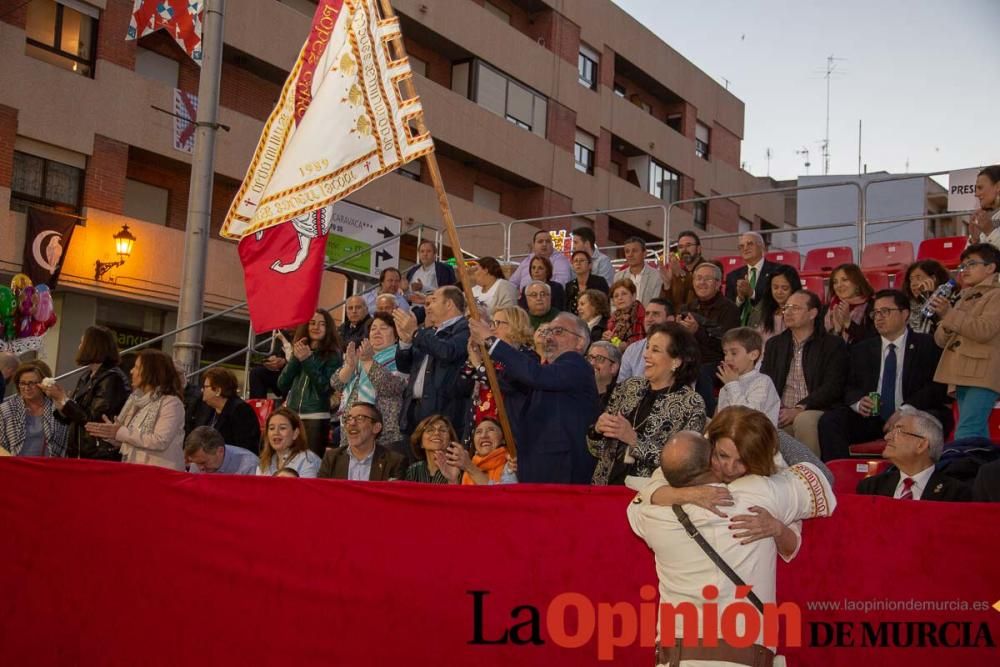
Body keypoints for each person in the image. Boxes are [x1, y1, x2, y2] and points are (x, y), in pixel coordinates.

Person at [627, 430, 835, 666]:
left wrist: (681, 493)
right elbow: (824, 477)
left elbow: (650, 488)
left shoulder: (652, 514)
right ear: (713, 462)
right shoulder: (759, 493)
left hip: (674, 659)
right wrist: (768, 432)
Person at [818, 289, 951, 461]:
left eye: (886, 311)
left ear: (905, 314)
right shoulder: (862, 349)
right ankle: (840, 475)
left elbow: (936, 387)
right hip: (872, 418)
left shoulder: (927, 344)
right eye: (875, 313)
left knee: (922, 424)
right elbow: (849, 386)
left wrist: (906, 410)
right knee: (830, 421)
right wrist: (858, 403)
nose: (879, 317)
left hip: (914, 413)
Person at [470, 312, 598, 484]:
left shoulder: (576, 365)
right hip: (537, 466)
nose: (550, 337)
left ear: (580, 341)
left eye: (558, 331)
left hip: (562, 470)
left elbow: (533, 374)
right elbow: (512, 385)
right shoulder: (548, 372)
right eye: (548, 332)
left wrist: (491, 341)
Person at [588, 322, 706, 485]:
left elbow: (683, 466)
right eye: (648, 347)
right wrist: (596, 431)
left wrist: (634, 441)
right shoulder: (628, 387)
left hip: (648, 496)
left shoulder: (691, 404)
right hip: (605, 488)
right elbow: (598, 450)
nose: (646, 355)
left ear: (676, 361)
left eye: (655, 350)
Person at [760, 290, 848, 455]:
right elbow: (766, 381)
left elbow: (833, 386)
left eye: (795, 308)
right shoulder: (775, 344)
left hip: (818, 408)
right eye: (786, 308)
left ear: (812, 313)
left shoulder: (831, 344)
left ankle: (812, 476)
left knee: (804, 420)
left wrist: (801, 407)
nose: (788, 312)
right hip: (783, 410)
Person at [927, 242, 1000, 440]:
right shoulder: (963, 297)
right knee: (975, 432)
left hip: (982, 373)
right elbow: (940, 340)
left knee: (968, 431)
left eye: (971, 264)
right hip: (961, 373)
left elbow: (984, 330)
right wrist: (947, 318)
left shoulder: (996, 295)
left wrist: (949, 314)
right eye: (963, 265)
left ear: (990, 267)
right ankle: (979, 469)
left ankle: (966, 470)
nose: (964, 270)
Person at [84, 349, 185, 470]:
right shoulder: (135, 400)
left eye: (137, 367)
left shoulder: (171, 403)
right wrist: (113, 436)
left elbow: (160, 441)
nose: (131, 371)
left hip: (159, 475)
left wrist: (120, 432)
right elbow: (133, 439)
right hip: (136, 471)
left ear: (150, 372)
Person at [44, 325, 129, 461]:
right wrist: (59, 403)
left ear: (92, 346)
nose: (79, 347)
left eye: (82, 343)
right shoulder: (86, 376)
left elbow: (93, 419)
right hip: (79, 451)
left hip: (98, 454)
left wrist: (64, 399)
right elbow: (74, 417)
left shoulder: (112, 379)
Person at [395, 286, 471, 437]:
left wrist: (415, 332)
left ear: (449, 304)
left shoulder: (466, 328)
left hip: (442, 414)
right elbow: (404, 366)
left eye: (434, 300)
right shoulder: (429, 333)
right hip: (413, 412)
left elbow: (447, 351)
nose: (428, 307)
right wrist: (405, 342)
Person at [331, 312, 407, 456]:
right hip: (351, 431)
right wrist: (350, 366)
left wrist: (368, 362)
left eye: (383, 328)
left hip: (384, 434)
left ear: (396, 335)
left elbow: (389, 387)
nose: (377, 332)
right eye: (373, 329)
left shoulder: (401, 357)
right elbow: (336, 383)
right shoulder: (359, 358)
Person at [857, 407, 970, 500]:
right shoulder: (871, 488)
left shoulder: (954, 494)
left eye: (898, 431)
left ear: (921, 445)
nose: (887, 437)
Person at [458, 306, 534, 444]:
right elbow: (460, 388)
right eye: (492, 323)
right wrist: (472, 359)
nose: (492, 329)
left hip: (509, 433)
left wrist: (479, 366)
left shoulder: (526, 356)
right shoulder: (488, 357)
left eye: (497, 323)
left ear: (515, 325)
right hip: (479, 429)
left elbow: (507, 385)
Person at [277, 309, 343, 457]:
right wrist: (296, 358)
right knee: (289, 461)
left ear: (328, 328)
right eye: (312, 323)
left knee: (310, 463)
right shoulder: (299, 350)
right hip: (292, 415)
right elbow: (282, 384)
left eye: (322, 324)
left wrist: (307, 360)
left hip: (316, 417)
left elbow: (325, 388)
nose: (316, 327)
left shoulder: (333, 354)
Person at [679, 262, 741, 417]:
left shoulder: (730, 309)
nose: (702, 283)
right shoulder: (688, 308)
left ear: (718, 283)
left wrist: (697, 331)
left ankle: (706, 419)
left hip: (718, 362)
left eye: (707, 279)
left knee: (699, 371)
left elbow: (725, 346)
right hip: (690, 358)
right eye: (698, 278)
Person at [318, 402, 406, 481]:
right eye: (348, 418)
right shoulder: (331, 458)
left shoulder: (394, 462)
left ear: (376, 428)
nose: (352, 423)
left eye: (360, 418)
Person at [0, 360, 68, 457]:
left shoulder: (57, 407)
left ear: (44, 384)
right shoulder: (6, 409)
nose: (27, 388)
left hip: (51, 467)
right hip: (16, 467)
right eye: (22, 383)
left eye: (32, 383)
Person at [187, 368, 261, 454]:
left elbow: (244, 447)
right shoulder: (210, 409)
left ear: (218, 391)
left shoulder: (240, 410)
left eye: (206, 387)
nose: (202, 390)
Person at [716, 327, 781, 425]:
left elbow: (747, 419)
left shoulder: (763, 382)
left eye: (734, 353)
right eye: (725, 353)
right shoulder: (727, 385)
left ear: (753, 355)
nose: (728, 358)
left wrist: (732, 385)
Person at [725, 231, 781, 326]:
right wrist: (740, 299)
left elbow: (777, 301)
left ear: (762, 247)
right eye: (741, 246)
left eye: (750, 244)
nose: (745, 248)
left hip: (766, 325)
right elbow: (728, 309)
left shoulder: (777, 271)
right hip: (739, 328)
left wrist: (752, 294)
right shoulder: (733, 276)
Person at [441, 416, 517, 485]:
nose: (483, 435)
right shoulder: (468, 465)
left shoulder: (512, 463)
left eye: (491, 430)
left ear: (503, 439)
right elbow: (460, 500)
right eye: (478, 432)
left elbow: (505, 497)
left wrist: (470, 467)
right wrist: (453, 480)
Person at [616, 298, 674, 382]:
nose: (649, 319)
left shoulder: (680, 348)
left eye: (656, 314)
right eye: (647, 314)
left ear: (670, 320)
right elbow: (621, 386)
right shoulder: (632, 349)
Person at [256, 407, 321, 477]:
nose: (276, 432)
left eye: (282, 428)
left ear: (295, 433)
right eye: (272, 428)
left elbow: (307, 487)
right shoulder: (265, 462)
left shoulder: (308, 459)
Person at [748, 263, 801, 347]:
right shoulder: (762, 307)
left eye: (785, 288)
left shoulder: (799, 311)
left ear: (793, 288)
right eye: (775, 287)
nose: (779, 292)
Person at [824, 263, 877, 344]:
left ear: (857, 283)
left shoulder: (872, 306)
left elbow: (873, 341)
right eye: (835, 282)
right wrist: (836, 331)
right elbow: (824, 344)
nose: (839, 285)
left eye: (844, 280)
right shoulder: (827, 308)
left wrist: (848, 323)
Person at [657, 230, 707, 307]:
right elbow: (664, 305)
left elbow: (702, 296)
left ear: (699, 249)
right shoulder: (676, 272)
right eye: (680, 247)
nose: (684, 250)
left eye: (688, 245)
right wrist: (667, 284)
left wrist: (681, 274)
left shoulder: (709, 268)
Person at [404, 414, 459, 483]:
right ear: (421, 442)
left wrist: (453, 480)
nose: (436, 433)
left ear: (450, 441)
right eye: (430, 430)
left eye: (442, 430)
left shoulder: (458, 469)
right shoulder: (413, 471)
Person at [901, 259, 951, 335]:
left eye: (918, 278)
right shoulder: (906, 305)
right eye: (911, 279)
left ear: (933, 278)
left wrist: (930, 298)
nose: (913, 284)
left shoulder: (948, 300)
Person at [184, 426, 258, 474]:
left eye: (203, 462)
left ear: (220, 451)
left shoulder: (249, 465)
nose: (200, 468)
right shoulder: (198, 460)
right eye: (197, 463)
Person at [612, 236, 663, 306]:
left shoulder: (656, 276)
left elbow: (655, 303)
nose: (630, 255)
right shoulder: (618, 276)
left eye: (635, 251)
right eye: (627, 251)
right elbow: (614, 304)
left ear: (645, 253)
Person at [405, 239, 456, 305]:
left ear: (435, 254)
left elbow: (448, 292)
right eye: (422, 251)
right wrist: (405, 289)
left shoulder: (444, 269)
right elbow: (408, 295)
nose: (425, 254)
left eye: (428, 251)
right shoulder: (412, 271)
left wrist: (423, 288)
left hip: (435, 307)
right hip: (413, 309)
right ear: (419, 254)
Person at [603, 279, 645, 352]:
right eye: (616, 296)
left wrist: (613, 340)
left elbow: (637, 347)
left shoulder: (640, 315)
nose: (620, 298)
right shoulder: (613, 318)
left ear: (634, 296)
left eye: (624, 294)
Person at [564, 250, 609, 315]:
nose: (578, 263)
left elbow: (605, 305)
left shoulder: (599, 281)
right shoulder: (569, 285)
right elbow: (566, 309)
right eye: (575, 261)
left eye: (582, 260)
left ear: (590, 265)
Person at [966, 165, 1000, 249]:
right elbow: (967, 260)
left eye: (980, 188)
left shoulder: (988, 225)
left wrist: (990, 232)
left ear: (998, 187)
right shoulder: (986, 219)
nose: (976, 194)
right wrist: (974, 241)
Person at [587, 340, 621, 410]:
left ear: (613, 367)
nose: (592, 363)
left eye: (599, 358)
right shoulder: (577, 392)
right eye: (590, 358)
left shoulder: (620, 399)